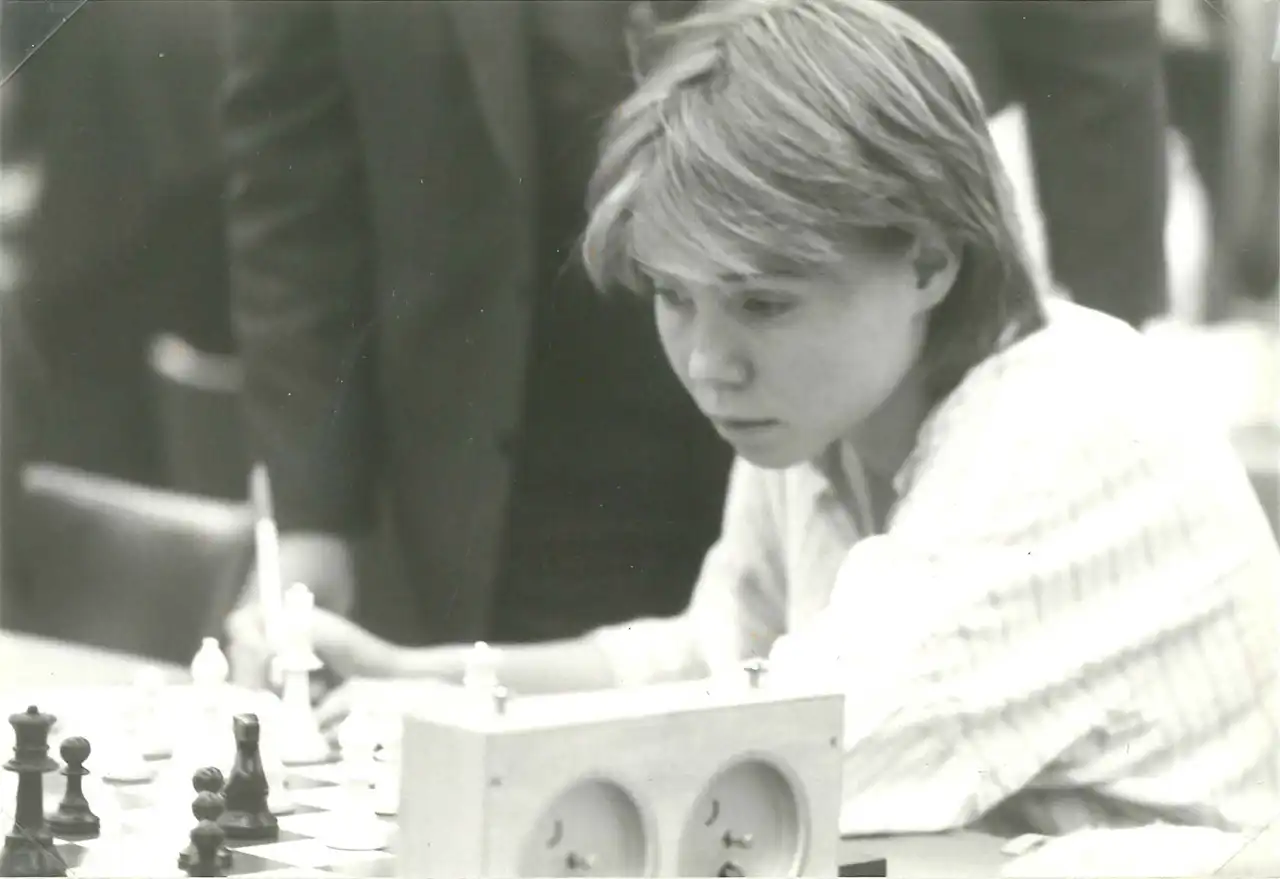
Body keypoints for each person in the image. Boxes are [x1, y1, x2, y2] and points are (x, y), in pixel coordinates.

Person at [286, 0, 1280, 837]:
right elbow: (709, 656)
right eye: (673, 298)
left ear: (929, 261)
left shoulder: (1057, 429)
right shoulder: (822, 405)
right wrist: (425, 679)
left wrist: (462, 749)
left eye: (764, 302)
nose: (707, 364)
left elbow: (771, 762)